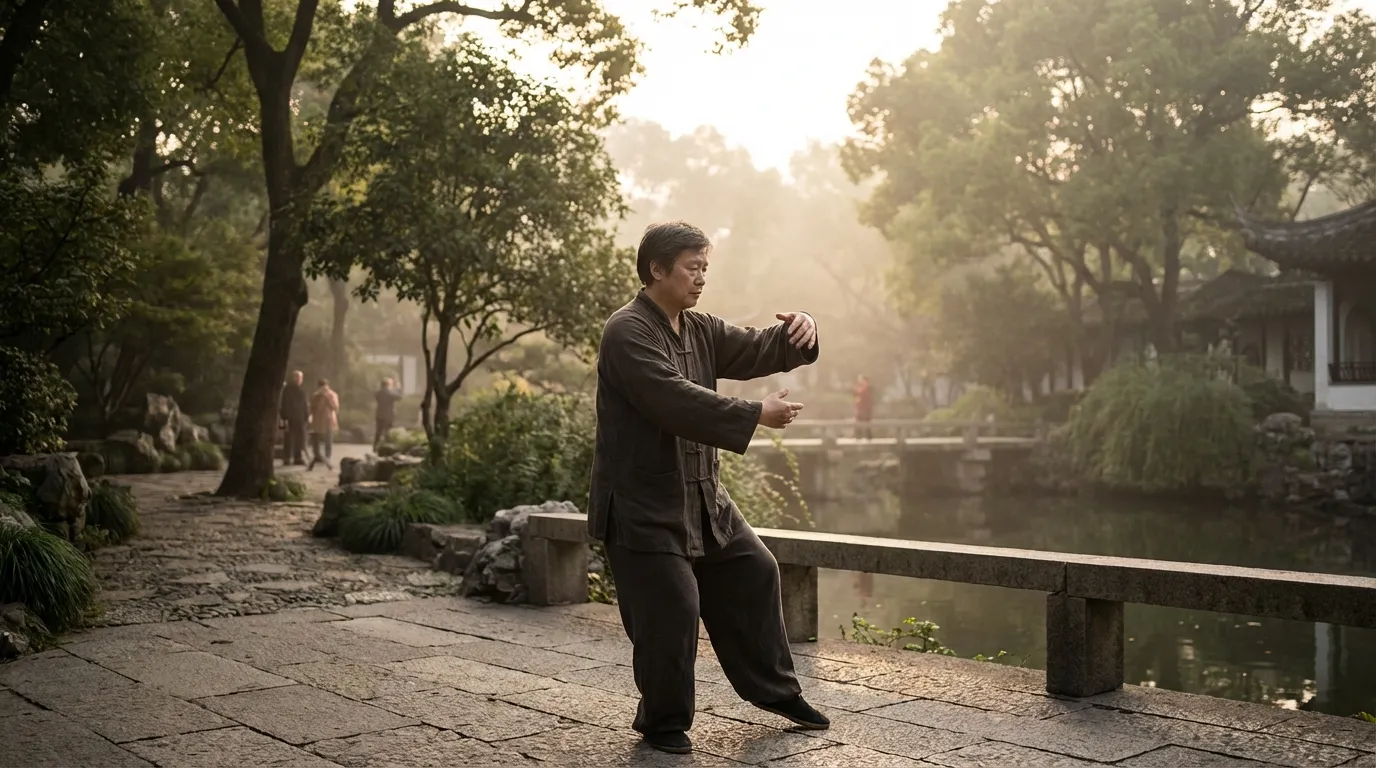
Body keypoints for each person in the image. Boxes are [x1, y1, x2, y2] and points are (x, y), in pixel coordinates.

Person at [589, 221, 829, 755]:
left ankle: (778, 692)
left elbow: (755, 347)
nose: (700, 279)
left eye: (704, 268)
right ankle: (664, 719)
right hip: (643, 503)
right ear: (657, 269)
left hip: (703, 496)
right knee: (671, 606)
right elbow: (672, 399)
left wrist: (802, 328)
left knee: (755, 570)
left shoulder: (699, 328)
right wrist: (755, 414)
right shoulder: (626, 331)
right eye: (691, 268)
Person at [278, 371, 309, 466]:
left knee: (299, 439)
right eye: (298, 378)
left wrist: (306, 416)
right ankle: (287, 458)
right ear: (294, 378)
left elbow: (304, 405)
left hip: (299, 418)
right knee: (289, 438)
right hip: (290, 418)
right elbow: (284, 404)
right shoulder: (288, 390)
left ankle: (297, 457)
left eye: (300, 378)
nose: (300, 380)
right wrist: (284, 417)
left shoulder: (301, 391)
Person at [308, 378, 339, 471]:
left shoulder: (332, 395)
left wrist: (326, 397)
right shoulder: (315, 395)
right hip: (318, 421)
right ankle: (318, 458)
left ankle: (327, 458)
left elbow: (335, 407)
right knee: (316, 442)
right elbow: (312, 408)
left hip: (329, 420)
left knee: (328, 441)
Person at [374, 377, 402, 451]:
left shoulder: (379, 392)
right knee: (388, 432)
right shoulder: (389, 392)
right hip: (388, 416)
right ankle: (387, 448)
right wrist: (398, 388)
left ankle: (375, 447)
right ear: (388, 384)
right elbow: (399, 397)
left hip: (379, 415)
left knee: (378, 432)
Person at [853, 374, 874, 440]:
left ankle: (863, 437)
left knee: (865, 424)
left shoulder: (865, 389)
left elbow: (863, 398)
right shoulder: (862, 388)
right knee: (861, 424)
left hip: (864, 410)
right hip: (862, 410)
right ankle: (860, 437)